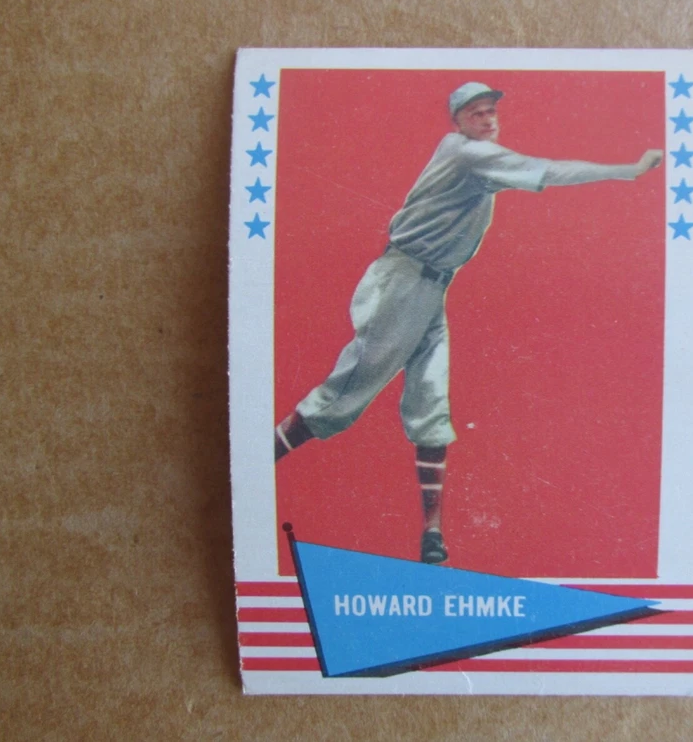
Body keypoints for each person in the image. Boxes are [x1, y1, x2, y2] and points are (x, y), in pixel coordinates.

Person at [275, 82, 663, 565]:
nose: (487, 118)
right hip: (402, 283)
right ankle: (253, 467)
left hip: (429, 288)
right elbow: (550, 171)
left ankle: (432, 533)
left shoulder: (479, 159)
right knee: (342, 398)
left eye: (490, 110)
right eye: (475, 112)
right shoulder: (467, 154)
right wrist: (628, 170)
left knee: (430, 403)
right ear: (457, 121)